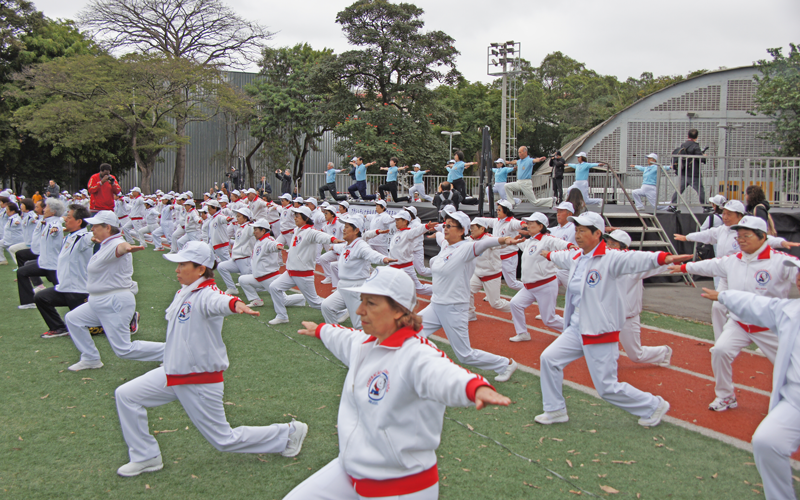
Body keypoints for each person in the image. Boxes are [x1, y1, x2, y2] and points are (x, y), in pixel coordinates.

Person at [287, 266, 511, 500]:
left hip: (400, 487)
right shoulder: (365, 342)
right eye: (362, 300)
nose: (359, 310)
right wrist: (321, 330)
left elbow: (443, 373)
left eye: (371, 303)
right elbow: (343, 337)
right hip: (349, 469)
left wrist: (475, 387)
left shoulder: (415, 354)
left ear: (397, 310)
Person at [113, 241, 307, 477]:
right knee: (126, 395)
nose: (177, 269)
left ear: (201, 268)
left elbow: (220, 301)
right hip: (174, 371)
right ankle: (146, 456)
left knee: (223, 440)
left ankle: (288, 433)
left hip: (198, 378)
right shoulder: (184, 291)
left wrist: (236, 304)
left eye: (182, 264)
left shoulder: (206, 293)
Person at [536, 211, 691, 426]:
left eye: (582, 231)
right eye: (576, 230)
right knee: (549, 359)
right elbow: (559, 256)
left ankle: (653, 405)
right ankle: (554, 410)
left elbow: (636, 259)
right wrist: (547, 254)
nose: (577, 235)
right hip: (576, 326)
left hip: (599, 330)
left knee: (607, 388)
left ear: (597, 233)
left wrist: (663, 257)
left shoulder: (611, 258)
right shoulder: (577, 257)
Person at [670, 216, 799, 412]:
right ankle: (726, 396)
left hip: (771, 327)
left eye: (746, 236)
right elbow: (710, 265)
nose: (741, 240)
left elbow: (796, 268)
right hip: (739, 323)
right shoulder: (733, 260)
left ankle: (791, 405)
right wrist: (684, 267)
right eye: (738, 237)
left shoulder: (781, 261)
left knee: (792, 366)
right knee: (720, 351)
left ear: (762, 237)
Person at [700, 260, 800, 500]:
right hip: (795, 400)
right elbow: (758, 304)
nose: (799, 279)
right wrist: (724, 297)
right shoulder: (790, 311)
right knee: (767, 441)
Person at [419, 211, 522, 381]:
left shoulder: (466, 248)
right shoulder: (446, 244)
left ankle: (506, 364)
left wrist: (504, 240)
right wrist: (426, 228)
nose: (445, 228)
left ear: (461, 231)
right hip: (436, 305)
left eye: (450, 226)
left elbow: (485, 244)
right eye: (445, 224)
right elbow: (438, 233)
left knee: (465, 355)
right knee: (410, 333)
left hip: (454, 307)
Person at [674, 200, 795, 340]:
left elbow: (766, 240)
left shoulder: (748, 231)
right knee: (718, 307)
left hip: (745, 274)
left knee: (755, 307)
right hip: (725, 275)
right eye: (724, 213)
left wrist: (781, 242)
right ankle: (721, 339)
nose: (725, 217)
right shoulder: (721, 230)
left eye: (729, 214)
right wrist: (687, 238)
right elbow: (705, 235)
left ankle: (767, 337)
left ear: (739, 216)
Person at [64, 211, 165, 371]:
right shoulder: (105, 245)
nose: (92, 229)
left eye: (96, 226)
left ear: (108, 228)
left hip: (113, 301)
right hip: (100, 301)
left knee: (123, 349)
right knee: (73, 319)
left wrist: (128, 248)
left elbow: (122, 247)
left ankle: (171, 352)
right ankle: (90, 359)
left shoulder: (115, 244)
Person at [604, 230, 672, 366]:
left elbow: (660, 264)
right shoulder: (603, 261)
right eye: (608, 243)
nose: (609, 247)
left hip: (627, 317)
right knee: (602, 347)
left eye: (613, 244)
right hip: (608, 315)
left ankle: (663, 352)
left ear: (624, 248)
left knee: (636, 355)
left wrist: (680, 265)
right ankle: (607, 368)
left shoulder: (633, 265)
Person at [268, 206, 341, 325]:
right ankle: (282, 316)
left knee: (315, 302)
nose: (295, 218)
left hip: (303, 273)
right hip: (291, 272)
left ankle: (341, 311)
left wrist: (333, 239)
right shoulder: (298, 230)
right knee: (274, 287)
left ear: (306, 218)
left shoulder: (310, 232)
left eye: (297, 216)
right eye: (295, 215)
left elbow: (320, 236)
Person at [321, 215, 396, 328]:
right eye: (344, 226)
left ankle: (368, 343)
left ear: (356, 230)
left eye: (347, 227)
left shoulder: (361, 245)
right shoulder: (348, 245)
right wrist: (334, 247)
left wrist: (383, 259)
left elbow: (371, 254)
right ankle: (335, 333)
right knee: (326, 306)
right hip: (343, 287)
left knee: (359, 324)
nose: (343, 229)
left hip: (356, 287)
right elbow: (341, 248)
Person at [35, 204, 94, 338]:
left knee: (89, 328)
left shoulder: (83, 236)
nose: (65, 219)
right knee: (41, 297)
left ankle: (127, 319)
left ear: (79, 221)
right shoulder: (70, 236)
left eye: (68, 217)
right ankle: (58, 328)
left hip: (78, 291)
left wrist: (96, 237)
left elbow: (90, 238)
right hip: (64, 288)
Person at [237, 219, 306, 309]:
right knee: (242, 279)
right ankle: (256, 300)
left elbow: (273, 244)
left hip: (269, 277)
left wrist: (277, 246)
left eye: (256, 230)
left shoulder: (268, 240)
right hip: (259, 277)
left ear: (263, 230)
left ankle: (304, 297)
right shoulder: (259, 240)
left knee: (283, 301)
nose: (254, 232)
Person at [364, 210, 432, 296]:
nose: (396, 222)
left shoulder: (408, 233)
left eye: (398, 220)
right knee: (377, 276)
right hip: (393, 266)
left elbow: (417, 231)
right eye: (396, 220)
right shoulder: (398, 232)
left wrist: (426, 226)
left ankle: (441, 291)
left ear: (405, 221)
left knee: (419, 289)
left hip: (405, 267)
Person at [17, 198, 64, 309]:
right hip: (44, 262)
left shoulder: (53, 222)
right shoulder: (46, 221)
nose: (44, 209)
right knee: (22, 271)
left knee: (64, 290)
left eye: (46, 207)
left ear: (52, 211)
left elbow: (56, 226)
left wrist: (55, 229)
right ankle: (28, 302)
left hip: (52, 265)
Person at [473, 199, 524, 291]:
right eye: (497, 209)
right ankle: (491, 294)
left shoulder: (511, 222)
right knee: (491, 276)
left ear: (506, 210)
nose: (497, 211)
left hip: (509, 257)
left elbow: (519, 223)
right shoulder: (496, 221)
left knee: (512, 283)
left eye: (499, 209)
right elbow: (482, 220)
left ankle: (533, 290)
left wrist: (524, 224)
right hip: (497, 256)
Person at [467, 218, 511, 320]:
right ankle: (470, 313)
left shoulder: (490, 239)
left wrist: (509, 241)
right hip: (477, 273)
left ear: (482, 228)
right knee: (466, 290)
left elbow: (502, 243)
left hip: (492, 275)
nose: (471, 230)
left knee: (495, 304)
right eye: (470, 228)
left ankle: (516, 307)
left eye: (473, 228)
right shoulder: (470, 239)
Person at [217, 207, 255, 295]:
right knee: (221, 266)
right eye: (237, 216)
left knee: (252, 282)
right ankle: (232, 288)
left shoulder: (249, 227)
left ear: (246, 218)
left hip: (244, 259)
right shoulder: (240, 228)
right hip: (236, 258)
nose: (237, 218)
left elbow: (256, 231)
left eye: (239, 216)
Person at [668, 128, 707, 211]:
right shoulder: (695, 146)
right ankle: (706, 206)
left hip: (684, 172)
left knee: (679, 190)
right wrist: (704, 156)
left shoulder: (683, 145)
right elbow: (700, 159)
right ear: (697, 137)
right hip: (694, 174)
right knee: (700, 190)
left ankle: (673, 205)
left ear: (688, 136)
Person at [7, 198, 36, 266]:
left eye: (22, 204)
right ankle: (22, 267)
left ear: (27, 205)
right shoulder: (25, 215)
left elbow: (36, 218)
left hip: (31, 243)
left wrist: (36, 220)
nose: (21, 206)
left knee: (12, 249)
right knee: (12, 249)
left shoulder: (31, 215)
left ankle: (22, 268)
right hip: (27, 242)